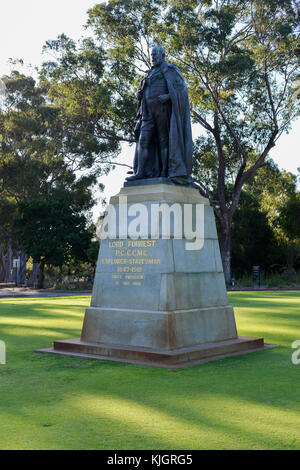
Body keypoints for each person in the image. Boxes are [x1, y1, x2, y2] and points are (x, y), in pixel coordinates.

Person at [126, 45, 193, 185]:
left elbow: (182, 92)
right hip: (147, 112)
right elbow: (141, 90)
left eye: (155, 55)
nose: (153, 58)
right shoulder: (148, 73)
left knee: (164, 141)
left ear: (163, 55)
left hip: (162, 111)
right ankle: (140, 172)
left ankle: (164, 172)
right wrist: (138, 94)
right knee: (144, 140)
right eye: (152, 55)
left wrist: (168, 97)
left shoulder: (171, 70)